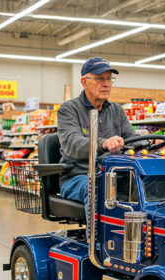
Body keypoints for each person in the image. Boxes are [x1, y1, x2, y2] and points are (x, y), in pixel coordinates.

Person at [57, 57, 138, 207]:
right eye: (100, 79)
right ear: (84, 82)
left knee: (152, 184)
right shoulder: (68, 109)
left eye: (109, 79)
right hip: (78, 177)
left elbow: (131, 138)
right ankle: (96, 232)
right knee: (98, 189)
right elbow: (72, 143)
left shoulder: (117, 110)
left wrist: (149, 142)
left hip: (114, 174)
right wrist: (103, 143)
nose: (106, 84)